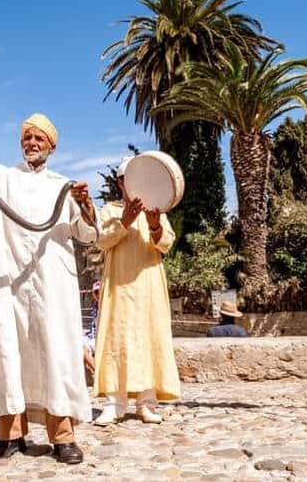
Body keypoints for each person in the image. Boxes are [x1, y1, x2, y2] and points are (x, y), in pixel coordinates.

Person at [0, 97, 97, 465]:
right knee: (8, 354)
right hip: (9, 282)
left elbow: (88, 235)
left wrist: (87, 203)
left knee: (57, 354)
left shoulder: (64, 186)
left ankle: (62, 437)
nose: (32, 143)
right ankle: (9, 435)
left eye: (39, 139)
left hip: (53, 287)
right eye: (27, 137)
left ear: (52, 146)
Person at [92, 157, 181, 426]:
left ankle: (147, 402)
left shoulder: (158, 211)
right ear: (121, 183)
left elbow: (166, 243)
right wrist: (125, 221)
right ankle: (114, 403)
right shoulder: (109, 210)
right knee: (117, 339)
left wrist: (154, 225)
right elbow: (102, 241)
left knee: (149, 337)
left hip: (149, 286)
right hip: (118, 287)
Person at [83, 281, 100, 375]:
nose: (98, 294)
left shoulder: (104, 307)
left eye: (100, 292)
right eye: (96, 292)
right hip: (93, 337)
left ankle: (96, 372)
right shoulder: (95, 307)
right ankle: (95, 369)